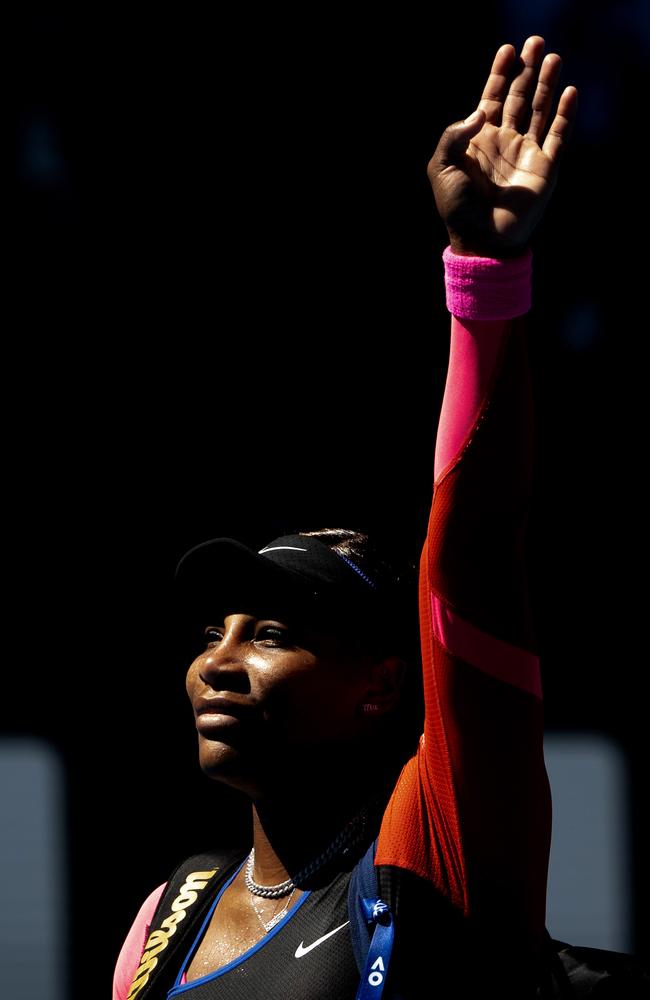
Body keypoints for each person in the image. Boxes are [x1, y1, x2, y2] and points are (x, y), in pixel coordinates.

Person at [113, 35, 580, 999]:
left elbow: (475, 550)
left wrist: (483, 273)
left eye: (274, 632)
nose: (219, 662)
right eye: (214, 632)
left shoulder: (435, 845)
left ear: (378, 687)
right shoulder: (168, 916)